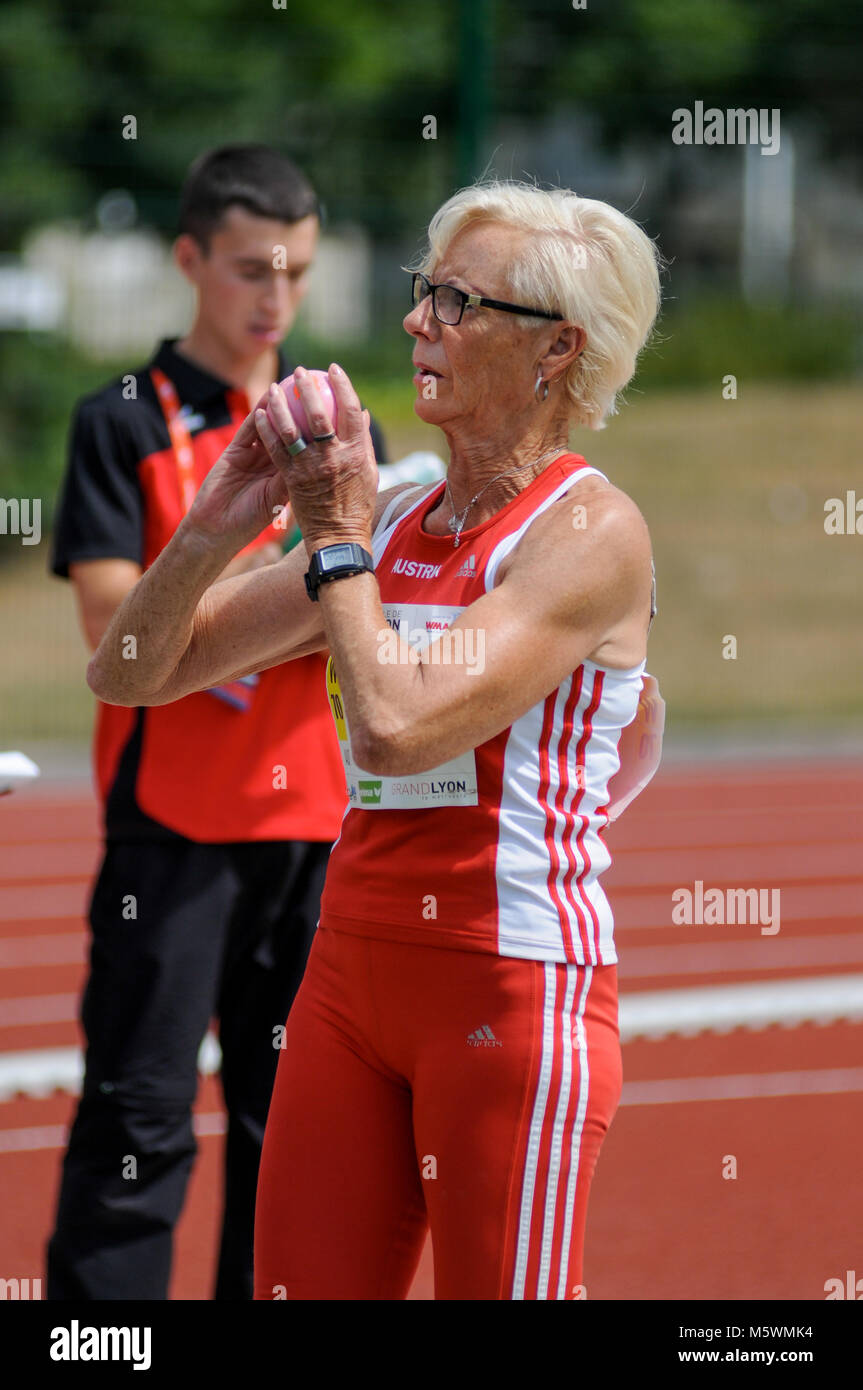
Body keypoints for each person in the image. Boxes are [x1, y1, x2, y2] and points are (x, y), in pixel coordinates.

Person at [85, 179, 663, 1300]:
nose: (415, 322)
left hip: (509, 989)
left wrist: (337, 537)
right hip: (349, 980)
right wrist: (216, 523)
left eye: (456, 300)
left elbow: (396, 729)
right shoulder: (392, 519)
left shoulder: (587, 532)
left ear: (556, 351)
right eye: (421, 290)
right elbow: (130, 672)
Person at [46, 145, 387, 1301]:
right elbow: (119, 632)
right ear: (189, 260)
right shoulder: (122, 420)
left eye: (293, 271)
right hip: (172, 827)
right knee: (139, 1118)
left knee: (285, 1126)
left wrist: (221, 616)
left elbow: (361, 621)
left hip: (313, 825)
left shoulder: (345, 426)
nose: (274, 298)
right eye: (250, 269)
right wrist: (280, 596)